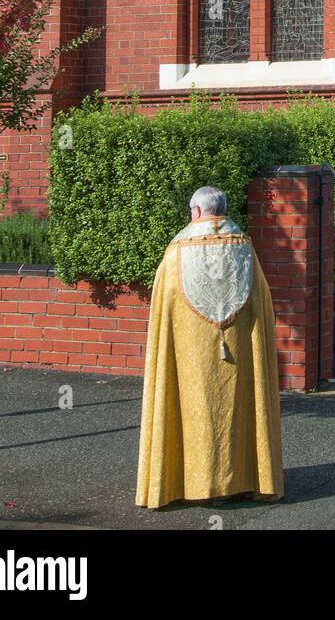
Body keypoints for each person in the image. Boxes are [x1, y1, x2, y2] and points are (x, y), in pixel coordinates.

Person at [136, 186, 283, 509]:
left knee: (194, 407)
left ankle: (185, 483)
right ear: (223, 210)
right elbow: (262, 304)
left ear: (196, 212)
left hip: (192, 354)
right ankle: (241, 482)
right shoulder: (244, 248)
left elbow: (165, 305)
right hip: (239, 349)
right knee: (236, 407)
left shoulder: (176, 252)